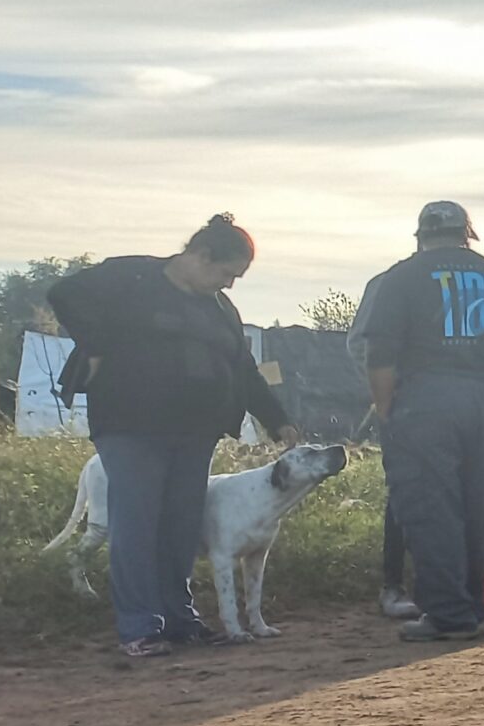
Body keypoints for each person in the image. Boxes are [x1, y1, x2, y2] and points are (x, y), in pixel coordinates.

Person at [47, 215, 300, 656]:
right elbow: (63, 294)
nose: (229, 285)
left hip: (195, 430)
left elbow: (243, 369)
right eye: (225, 273)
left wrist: (277, 419)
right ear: (200, 255)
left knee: (181, 526)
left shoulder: (221, 309)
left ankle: (179, 619)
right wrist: (97, 345)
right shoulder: (132, 276)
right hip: (131, 425)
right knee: (138, 522)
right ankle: (140, 627)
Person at [360, 201, 484, 643]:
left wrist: (384, 409)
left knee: (429, 507)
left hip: (423, 402)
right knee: (478, 506)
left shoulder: (400, 278)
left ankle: (446, 614)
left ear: (420, 236)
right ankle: (470, 608)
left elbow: (379, 353)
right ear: (467, 234)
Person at [346, 265, 422, 622]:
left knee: (464, 496)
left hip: (461, 410)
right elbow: (360, 343)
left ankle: (448, 588)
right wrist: (390, 392)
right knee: (405, 494)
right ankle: (394, 586)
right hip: (405, 408)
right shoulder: (389, 282)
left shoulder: (476, 279)